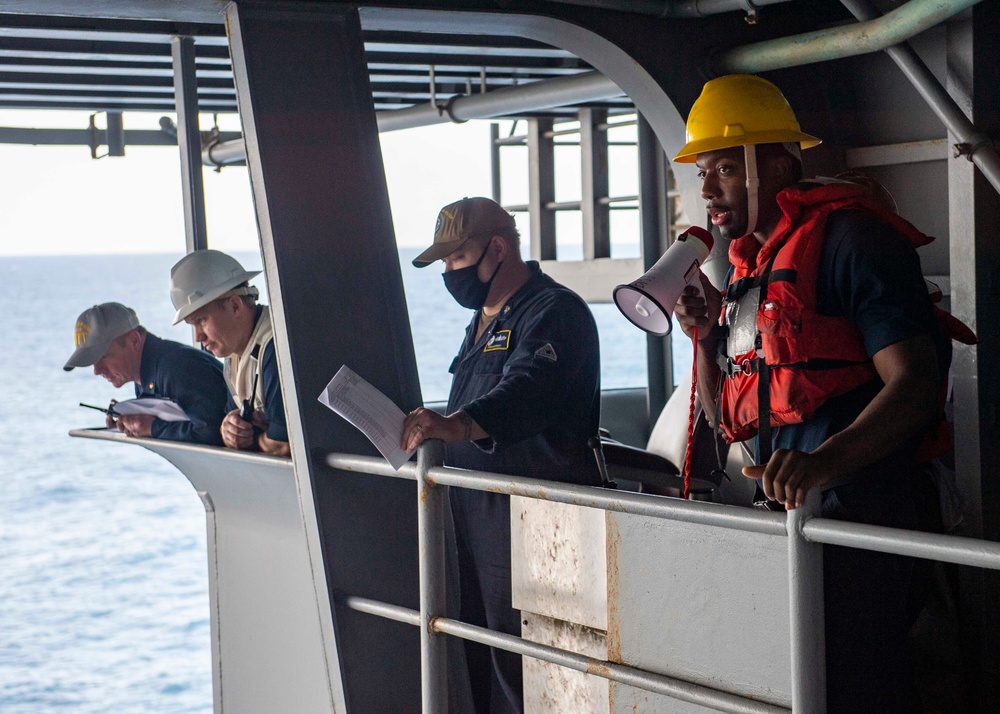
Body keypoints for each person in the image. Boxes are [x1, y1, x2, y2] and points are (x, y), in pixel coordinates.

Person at [672, 74, 951, 713]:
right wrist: (703, 340)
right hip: (779, 525)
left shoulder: (853, 241)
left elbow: (915, 384)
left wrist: (823, 463)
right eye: (702, 172)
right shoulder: (747, 272)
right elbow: (725, 423)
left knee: (858, 686)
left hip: (859, 519)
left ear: (774, 163)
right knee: (788, 690)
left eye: (722, 169)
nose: (707, 188)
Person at [401, 197, 601, 714]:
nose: (449, 273)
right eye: (444, 263)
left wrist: (456, 424)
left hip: (540, 524)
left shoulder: (555, 312)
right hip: (480, 519)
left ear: (497, 248)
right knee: (488, 661)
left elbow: (529, 390)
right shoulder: (483, 322)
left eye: (456, 258)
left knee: (539, 670)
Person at [168, 250, 290, 458]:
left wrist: (252, 441)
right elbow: (232, 420)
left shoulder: (276, 347)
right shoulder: (233, 356)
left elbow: (285, 445)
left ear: (235, 306)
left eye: (202, 321)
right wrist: (228, 430)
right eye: (193, 325)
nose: (198, 337)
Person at [64, 302, 229, 446]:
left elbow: (215, 433)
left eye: (102, 357)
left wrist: (152, 428)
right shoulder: (145, 375)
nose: (97, 370)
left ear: (134, 340)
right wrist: (132, 419)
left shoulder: (175, 368)